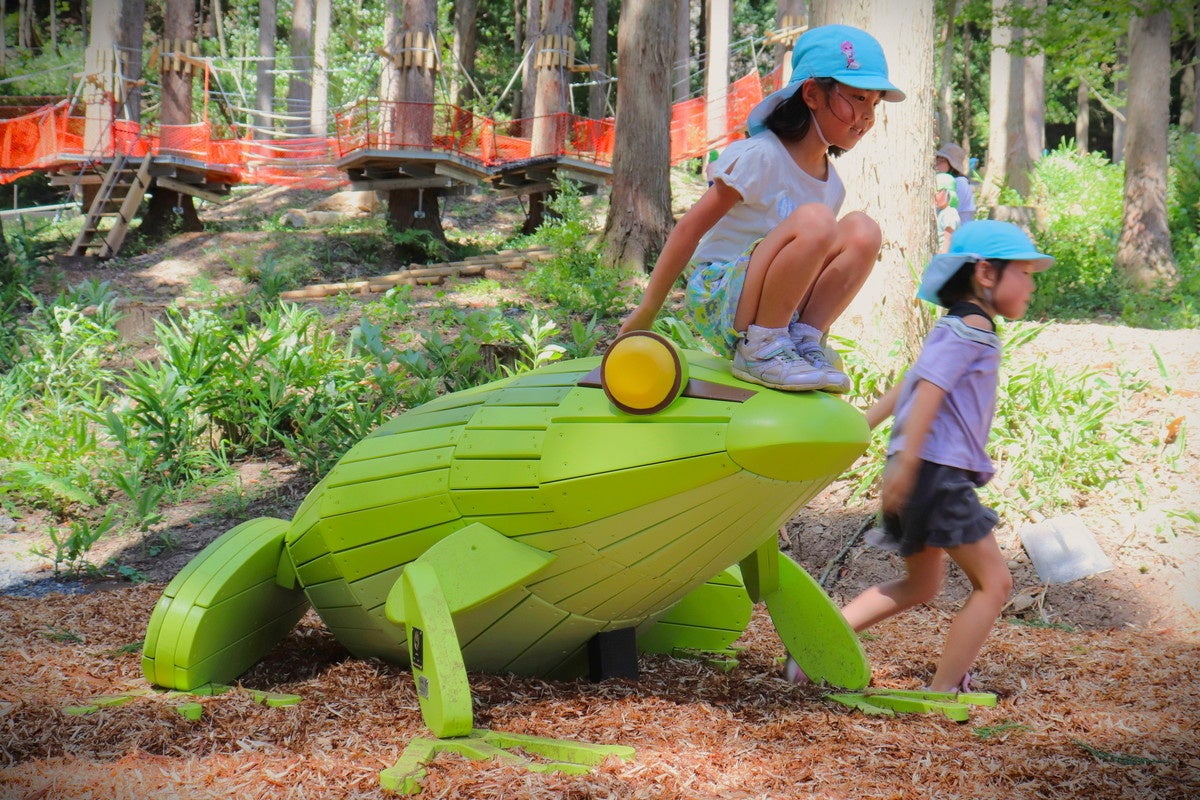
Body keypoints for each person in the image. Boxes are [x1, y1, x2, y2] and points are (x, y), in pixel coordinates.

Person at [787, 221, 1054, 692]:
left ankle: (809, 650)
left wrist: (861, 428)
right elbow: (927, 390)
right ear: (987, 274)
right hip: (935, 474)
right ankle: (944, 690)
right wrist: (906, 464)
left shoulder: (958, 327)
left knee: (921, 586)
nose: (1032, 285)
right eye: (1027, 273)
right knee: (995, 585)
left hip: (923, 472)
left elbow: (912, 381)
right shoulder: (972, 328)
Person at [619, 25, 905, 393]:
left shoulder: (833, 185)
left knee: (863, 229)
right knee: (817, 220)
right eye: (857, 98)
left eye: (874, 103)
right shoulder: (760, 156)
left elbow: (811, 267)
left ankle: (803, 343)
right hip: (720, 295)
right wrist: (647, 311)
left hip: (778, 306)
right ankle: (762, 349)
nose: (867, 116)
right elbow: (689, 229)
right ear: (813, 94)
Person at [935, 143, 977, 222]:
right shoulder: (944, 182)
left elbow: (948, 213)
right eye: (937, 159)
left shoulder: (960, 183)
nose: (937, 163)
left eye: (942, 160)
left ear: (952, 165)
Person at [934, 172, 961, 253]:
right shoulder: (942, 212)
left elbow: (948, 238)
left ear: (948, 193)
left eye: (938, 191)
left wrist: (942, 258)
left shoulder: (949, 213)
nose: (934, 195)